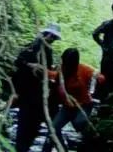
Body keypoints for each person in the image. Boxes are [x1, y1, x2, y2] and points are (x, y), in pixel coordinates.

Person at [11, 23, 61, 152]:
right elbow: (17, 63)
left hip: (39, 94)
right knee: (24, 125)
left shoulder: (48, 51)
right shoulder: (31, 47)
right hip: (27, 92)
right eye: (51, 36)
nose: (52, 39)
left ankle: (25, 147)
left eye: (54, 38)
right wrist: (30, 66)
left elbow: (47, 70)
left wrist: (50, 71)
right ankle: (21, 148)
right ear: (46, 34)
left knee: (33, 126)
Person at [49, 47, 104, 142]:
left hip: (84, 104)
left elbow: (97, 75)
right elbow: (54, 75)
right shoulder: (61, 69)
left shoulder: (83, 69)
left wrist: (98, 77)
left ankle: (90, 139)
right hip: (67, 106)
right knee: (53, 129)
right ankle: (60, 147)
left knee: (79, 123)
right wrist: (42, 70)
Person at [91, 0, 113, 99]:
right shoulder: (107, 24)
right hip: (108, 57)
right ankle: (101, 99)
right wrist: (102, 45)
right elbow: (95, 34)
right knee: (104, 79)